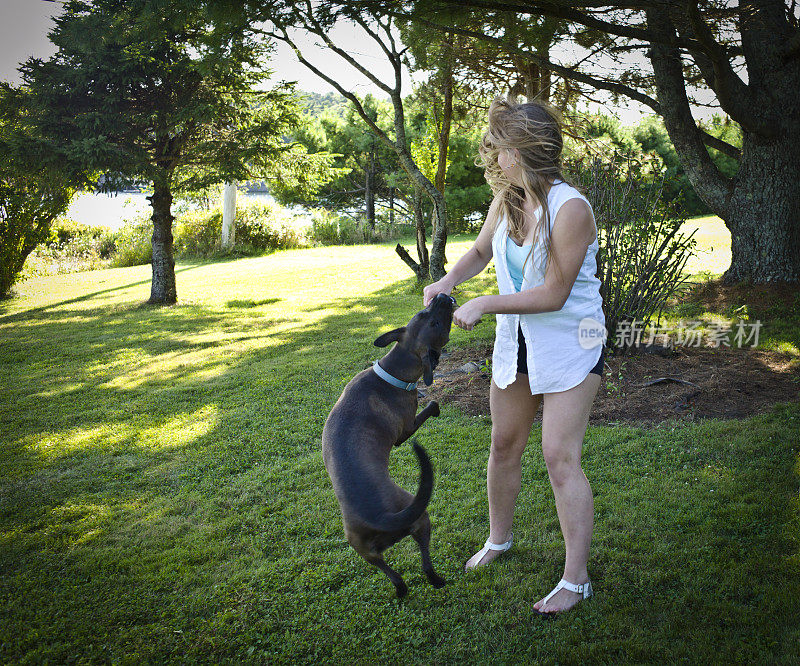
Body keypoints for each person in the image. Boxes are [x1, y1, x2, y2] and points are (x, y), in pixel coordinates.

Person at [423, 96, 606, 617]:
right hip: (519, 344)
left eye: (500, 147)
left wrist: (485, 303)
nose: (493, 155)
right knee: (504, 444)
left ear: (522, 150)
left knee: (558, 456)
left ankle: (576, 580)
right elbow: (482, 250)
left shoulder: (570, 209)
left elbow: (552, 293)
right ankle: (499, 541)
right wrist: (449, 280)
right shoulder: (508, 198)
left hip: (573, 343)